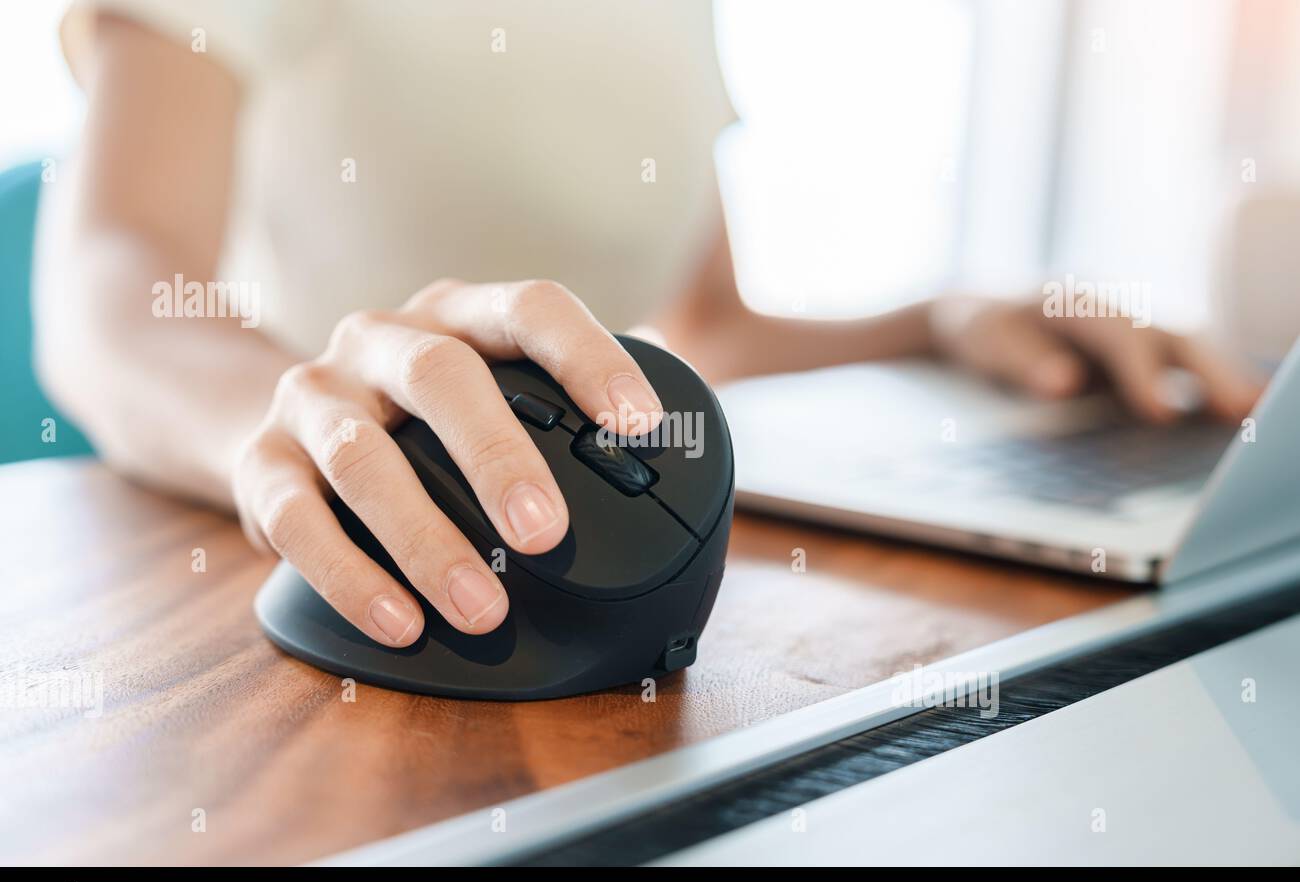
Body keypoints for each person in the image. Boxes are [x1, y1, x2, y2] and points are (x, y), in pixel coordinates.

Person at [35, 1, 1261, 649]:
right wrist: (296, 417)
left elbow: (701, 333)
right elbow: (109, 279)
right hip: (306, 539)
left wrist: (940, 319)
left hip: (559, 547)